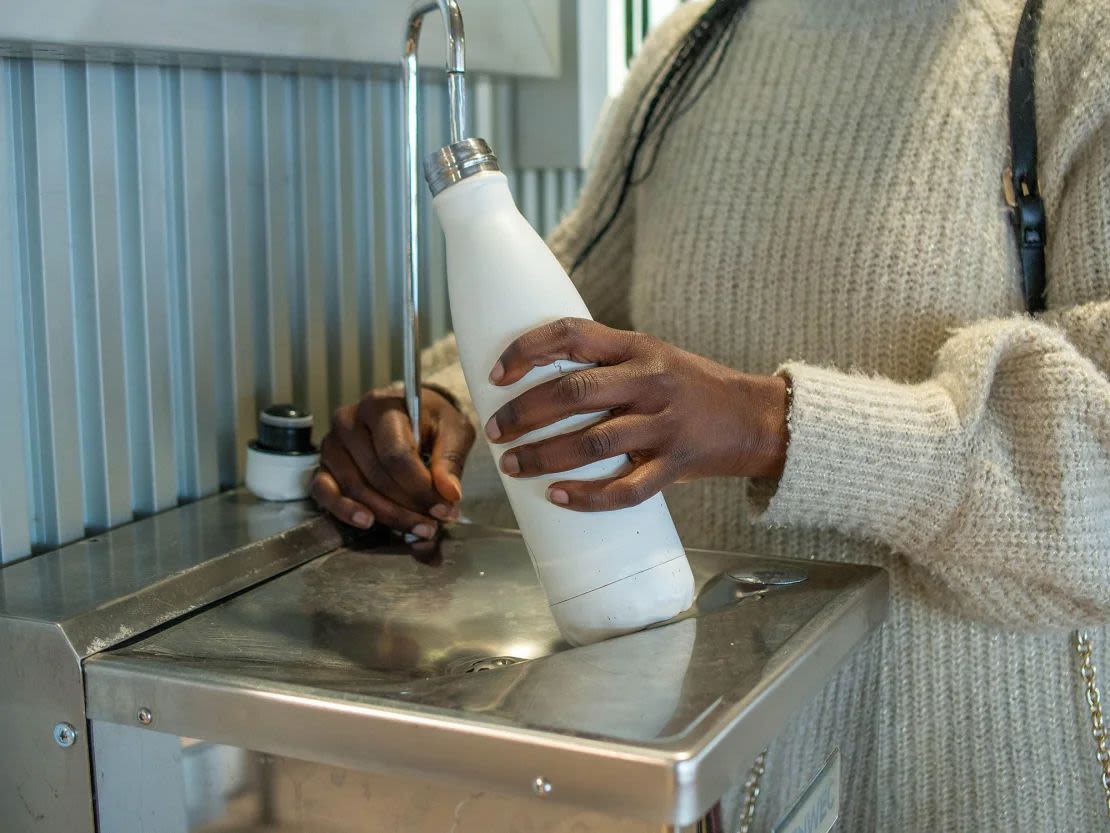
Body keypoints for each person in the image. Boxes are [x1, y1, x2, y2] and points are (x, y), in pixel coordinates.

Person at [311, 0, 1110, 829]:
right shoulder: (691, 50)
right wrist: (443, 407)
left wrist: (770, 426)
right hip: (721, 785)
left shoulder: (1071, 43)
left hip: (980, 783)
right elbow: (570, 323)